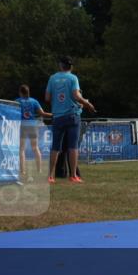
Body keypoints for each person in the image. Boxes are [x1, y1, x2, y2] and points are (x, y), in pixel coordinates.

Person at [45, 56, 96, 184]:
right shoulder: (73, 78)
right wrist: (87, 104)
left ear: (60, 65)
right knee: (73, 146)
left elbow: (47, 98)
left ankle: (50, 176)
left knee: (55, 147)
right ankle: (73, 175)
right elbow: (76, 95)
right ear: (71, 67)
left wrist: (57, 103)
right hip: (72, 115)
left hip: (57, 116)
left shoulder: (52, 78)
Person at [16, 84, 51, 183]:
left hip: (22, 126)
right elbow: (42, 113)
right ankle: (39, 170)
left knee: (21, 149)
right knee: (35, 148)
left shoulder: (17, 101)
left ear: (20, 92)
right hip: (32, 125)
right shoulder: (34, 101)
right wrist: (54, 115)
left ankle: (23, 171)